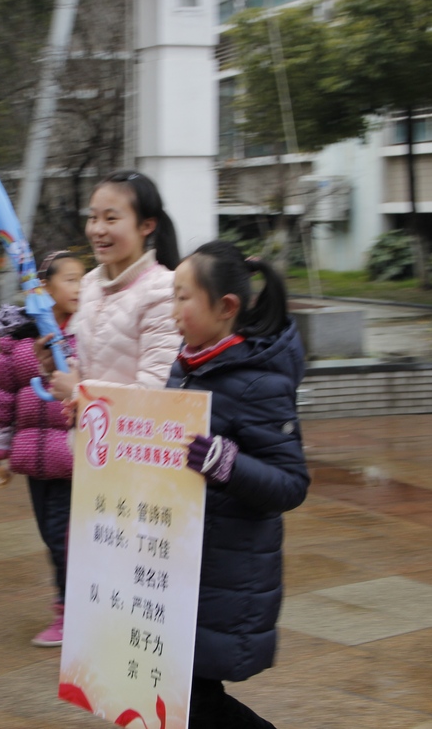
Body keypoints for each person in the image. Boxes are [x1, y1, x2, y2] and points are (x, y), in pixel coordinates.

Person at [170, 240, 310, 729]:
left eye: (183, 297)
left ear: (226, 307)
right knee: (181, 695)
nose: (174, 311)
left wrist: (226, 463)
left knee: (194, 700)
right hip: (184, 566)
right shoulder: (187, 368)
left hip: (227, 574)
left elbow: (291, 483)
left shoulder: (259, 381)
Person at [0, 251, 85, 647]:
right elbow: (3, 398)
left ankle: (72, 613)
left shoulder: (87, 335)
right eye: (71, 279)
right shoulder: (19, 344)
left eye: (83, 280)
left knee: (63, 537)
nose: (80, 287)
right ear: (45, 288)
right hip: (35, 460)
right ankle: (71, 607)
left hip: (74, 458)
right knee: (51, 535)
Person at [42, 170, 181, 399]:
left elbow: (156, 397)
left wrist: (78, 393)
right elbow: (88, 370)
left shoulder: (163, 291)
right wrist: (56, 367)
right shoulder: (89, 284)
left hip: (135, 435)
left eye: (111, 218)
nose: (97, 230)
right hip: (89, 433)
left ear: (146, 226)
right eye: (93, 217)